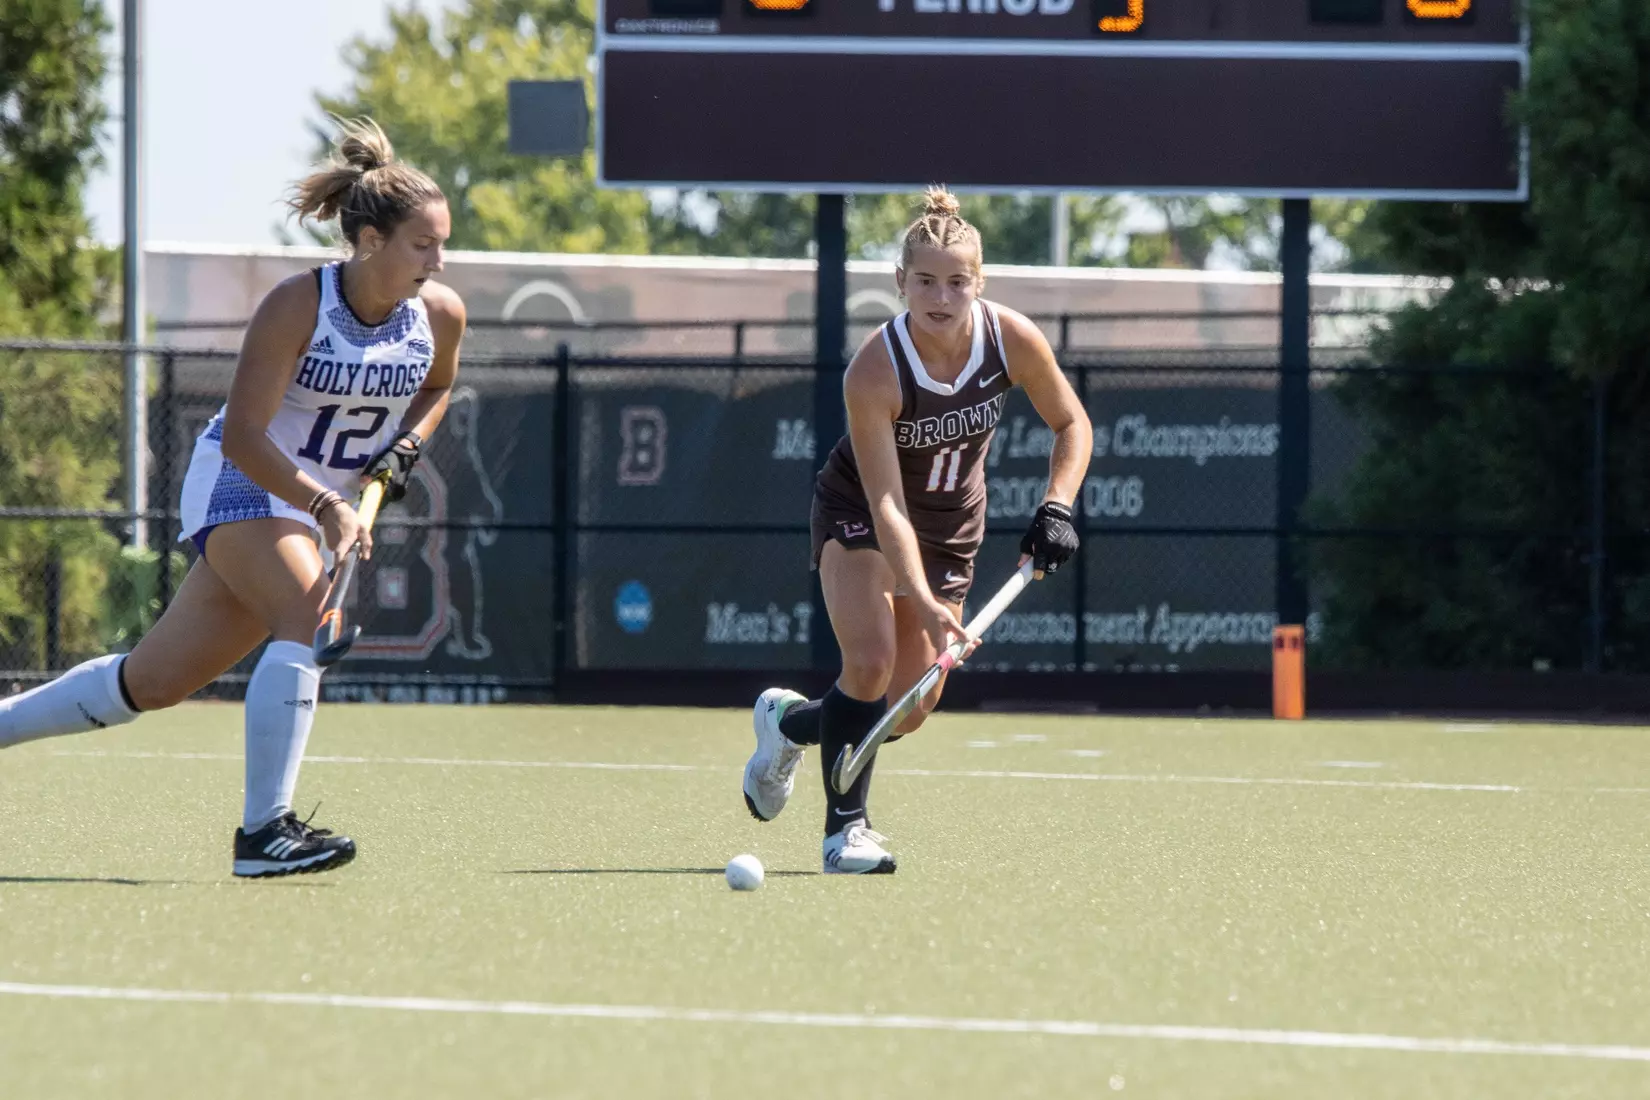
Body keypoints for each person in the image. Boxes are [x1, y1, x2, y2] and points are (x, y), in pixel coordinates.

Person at [0, 117, 467, 878]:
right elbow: (247, 437)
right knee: (306, 613)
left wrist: (406, 446)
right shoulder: (297, 306)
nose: (438, 261)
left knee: (153, 683)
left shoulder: (439, 315)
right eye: (423, 245)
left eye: (442, 245)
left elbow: (438, 386)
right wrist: (326, 506)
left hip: (313, 502)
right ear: (370, 240)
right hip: (242, 480)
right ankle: (264, 833)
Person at [743, 188, 1092, 874]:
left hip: (951, 528)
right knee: (870, 662)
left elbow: (1071, 422)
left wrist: (1057, 506)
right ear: (900, 281)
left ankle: (788, 725)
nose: (941, 296)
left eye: (957, 281)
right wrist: (921, 597)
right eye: (925, 281)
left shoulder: (1011, 339)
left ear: (979, 282)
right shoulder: (876, 369)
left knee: (909, 705)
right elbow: (886, 503)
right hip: (863, 510)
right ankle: (845, 833)